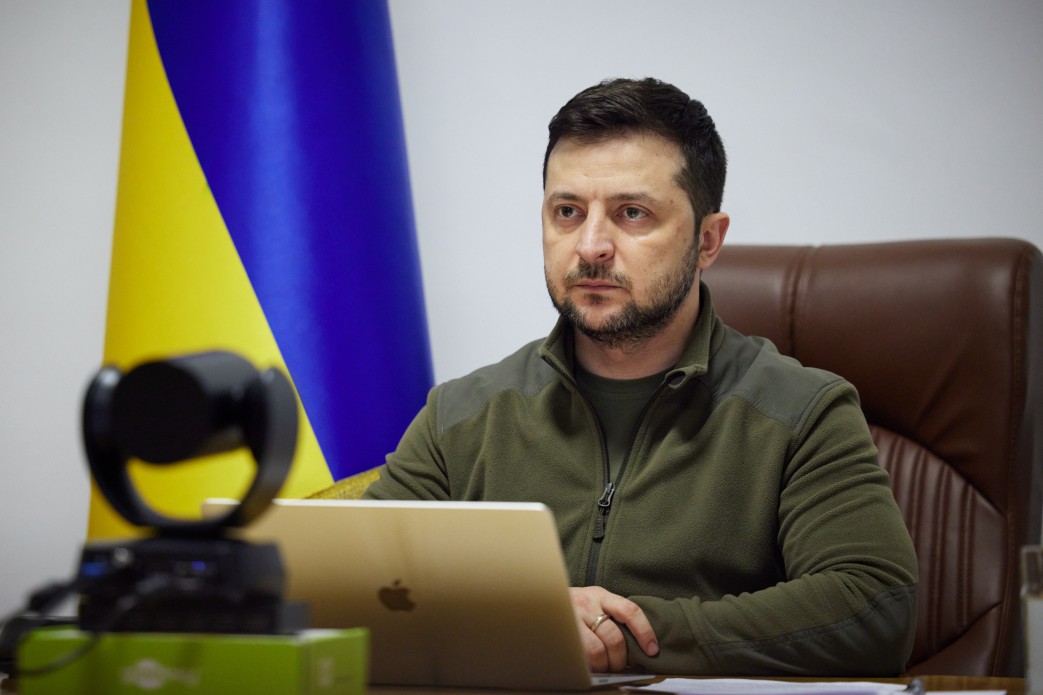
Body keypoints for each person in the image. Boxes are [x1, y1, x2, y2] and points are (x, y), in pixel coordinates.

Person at [362, 77, 918, 676]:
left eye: (632, 213)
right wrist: (526, 618)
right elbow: (344, 585)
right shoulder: (462, 415)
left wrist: (623, 636)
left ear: (708, 240)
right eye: (568, 212)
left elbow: (874, 605)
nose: (591, 246)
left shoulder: (803, 412)